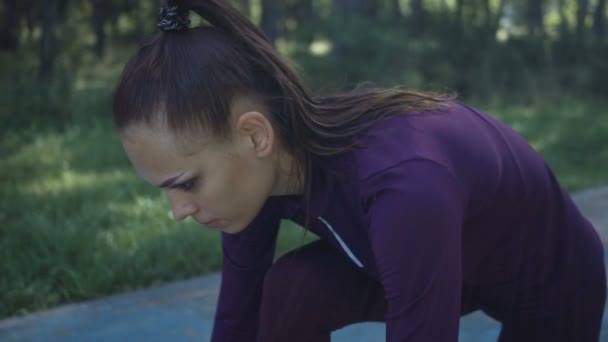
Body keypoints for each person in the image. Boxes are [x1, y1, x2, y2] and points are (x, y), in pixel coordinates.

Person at [112, 1, 606, 341]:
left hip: (552, 282)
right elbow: (238, 316)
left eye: (187, 184)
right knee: (288, 290)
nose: (177, 211)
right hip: (444, 257)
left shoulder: (404, 186)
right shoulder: (258, 176)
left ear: (255, 135)